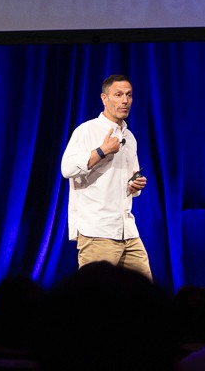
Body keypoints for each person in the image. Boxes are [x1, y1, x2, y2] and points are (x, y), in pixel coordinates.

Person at [60, 74, 150, 277]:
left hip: (127, 230)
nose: (125, 100)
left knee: (145, 290)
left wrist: (135, 185)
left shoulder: (130, 137)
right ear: (104, 98)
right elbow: (66, 169)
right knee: (95, 293)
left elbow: (130, 180)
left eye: (129, 95)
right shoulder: (87, 130)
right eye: (118, 95)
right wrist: (102, 151)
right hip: (98, 231)